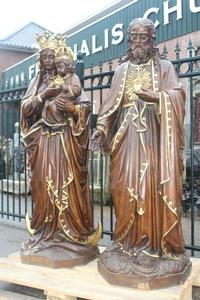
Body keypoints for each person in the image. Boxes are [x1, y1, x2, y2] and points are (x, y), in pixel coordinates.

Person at [90, 18, 191, 288]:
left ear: (152, 40)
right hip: (125, 142)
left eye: (143, 37)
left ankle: (152, 247)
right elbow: (110, 105)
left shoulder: (165, 67)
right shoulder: (121, 70)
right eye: (133, 37)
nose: (137, 42)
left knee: (149, 190)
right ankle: (125, 244)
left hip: (154, 142)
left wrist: (158, 98)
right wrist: (100, 128)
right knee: (122, 190)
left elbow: (178, 95)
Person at [20, 32, 101, 268]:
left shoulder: (71, 80)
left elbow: (84, 106)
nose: (48, 61)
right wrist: (43, 96)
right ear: (40, 60)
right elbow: (25, 108)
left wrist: (75, 110)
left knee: (69, 183)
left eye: (52, 57)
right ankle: (46, 232)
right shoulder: (37, 84)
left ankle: (72, 235)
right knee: (44, 184)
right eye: (44, 56)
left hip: (66, 141)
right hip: (44, 142)